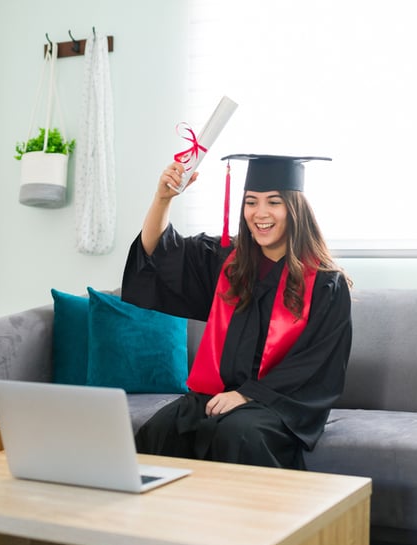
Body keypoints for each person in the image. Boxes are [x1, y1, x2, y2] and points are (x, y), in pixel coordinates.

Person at [121, 154, 352, 469]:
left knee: (240, 432)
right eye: (251, 202)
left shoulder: (325, 282)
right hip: (214, 394)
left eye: (274, 202)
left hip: (279, 403)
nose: (260, 213)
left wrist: (248, 395)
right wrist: (163, 199)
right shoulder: (227, 261)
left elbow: (316, 362)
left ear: (295, 209)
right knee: (162, 427)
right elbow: (159, 253)